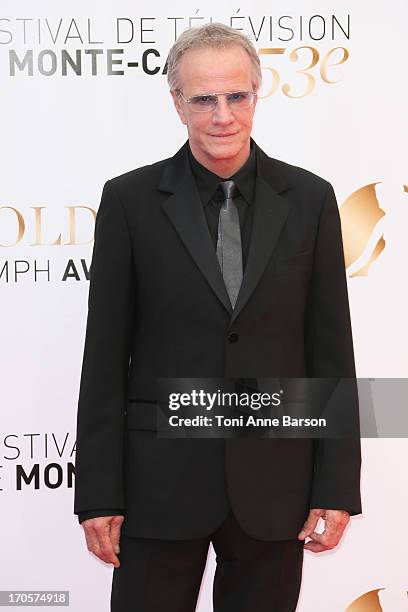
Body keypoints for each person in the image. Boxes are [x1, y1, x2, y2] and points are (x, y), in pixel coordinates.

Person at [74, 23, 361, 612]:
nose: (222, 115)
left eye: (237, 96)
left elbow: (332, 354)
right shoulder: (129, 202)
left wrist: (336, 486)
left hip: (275, 486)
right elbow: (104, 357)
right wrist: (99, 493)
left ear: (257, 94)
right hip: (159, 486)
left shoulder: (310, 200)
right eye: (203, 98)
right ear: (177, 103)